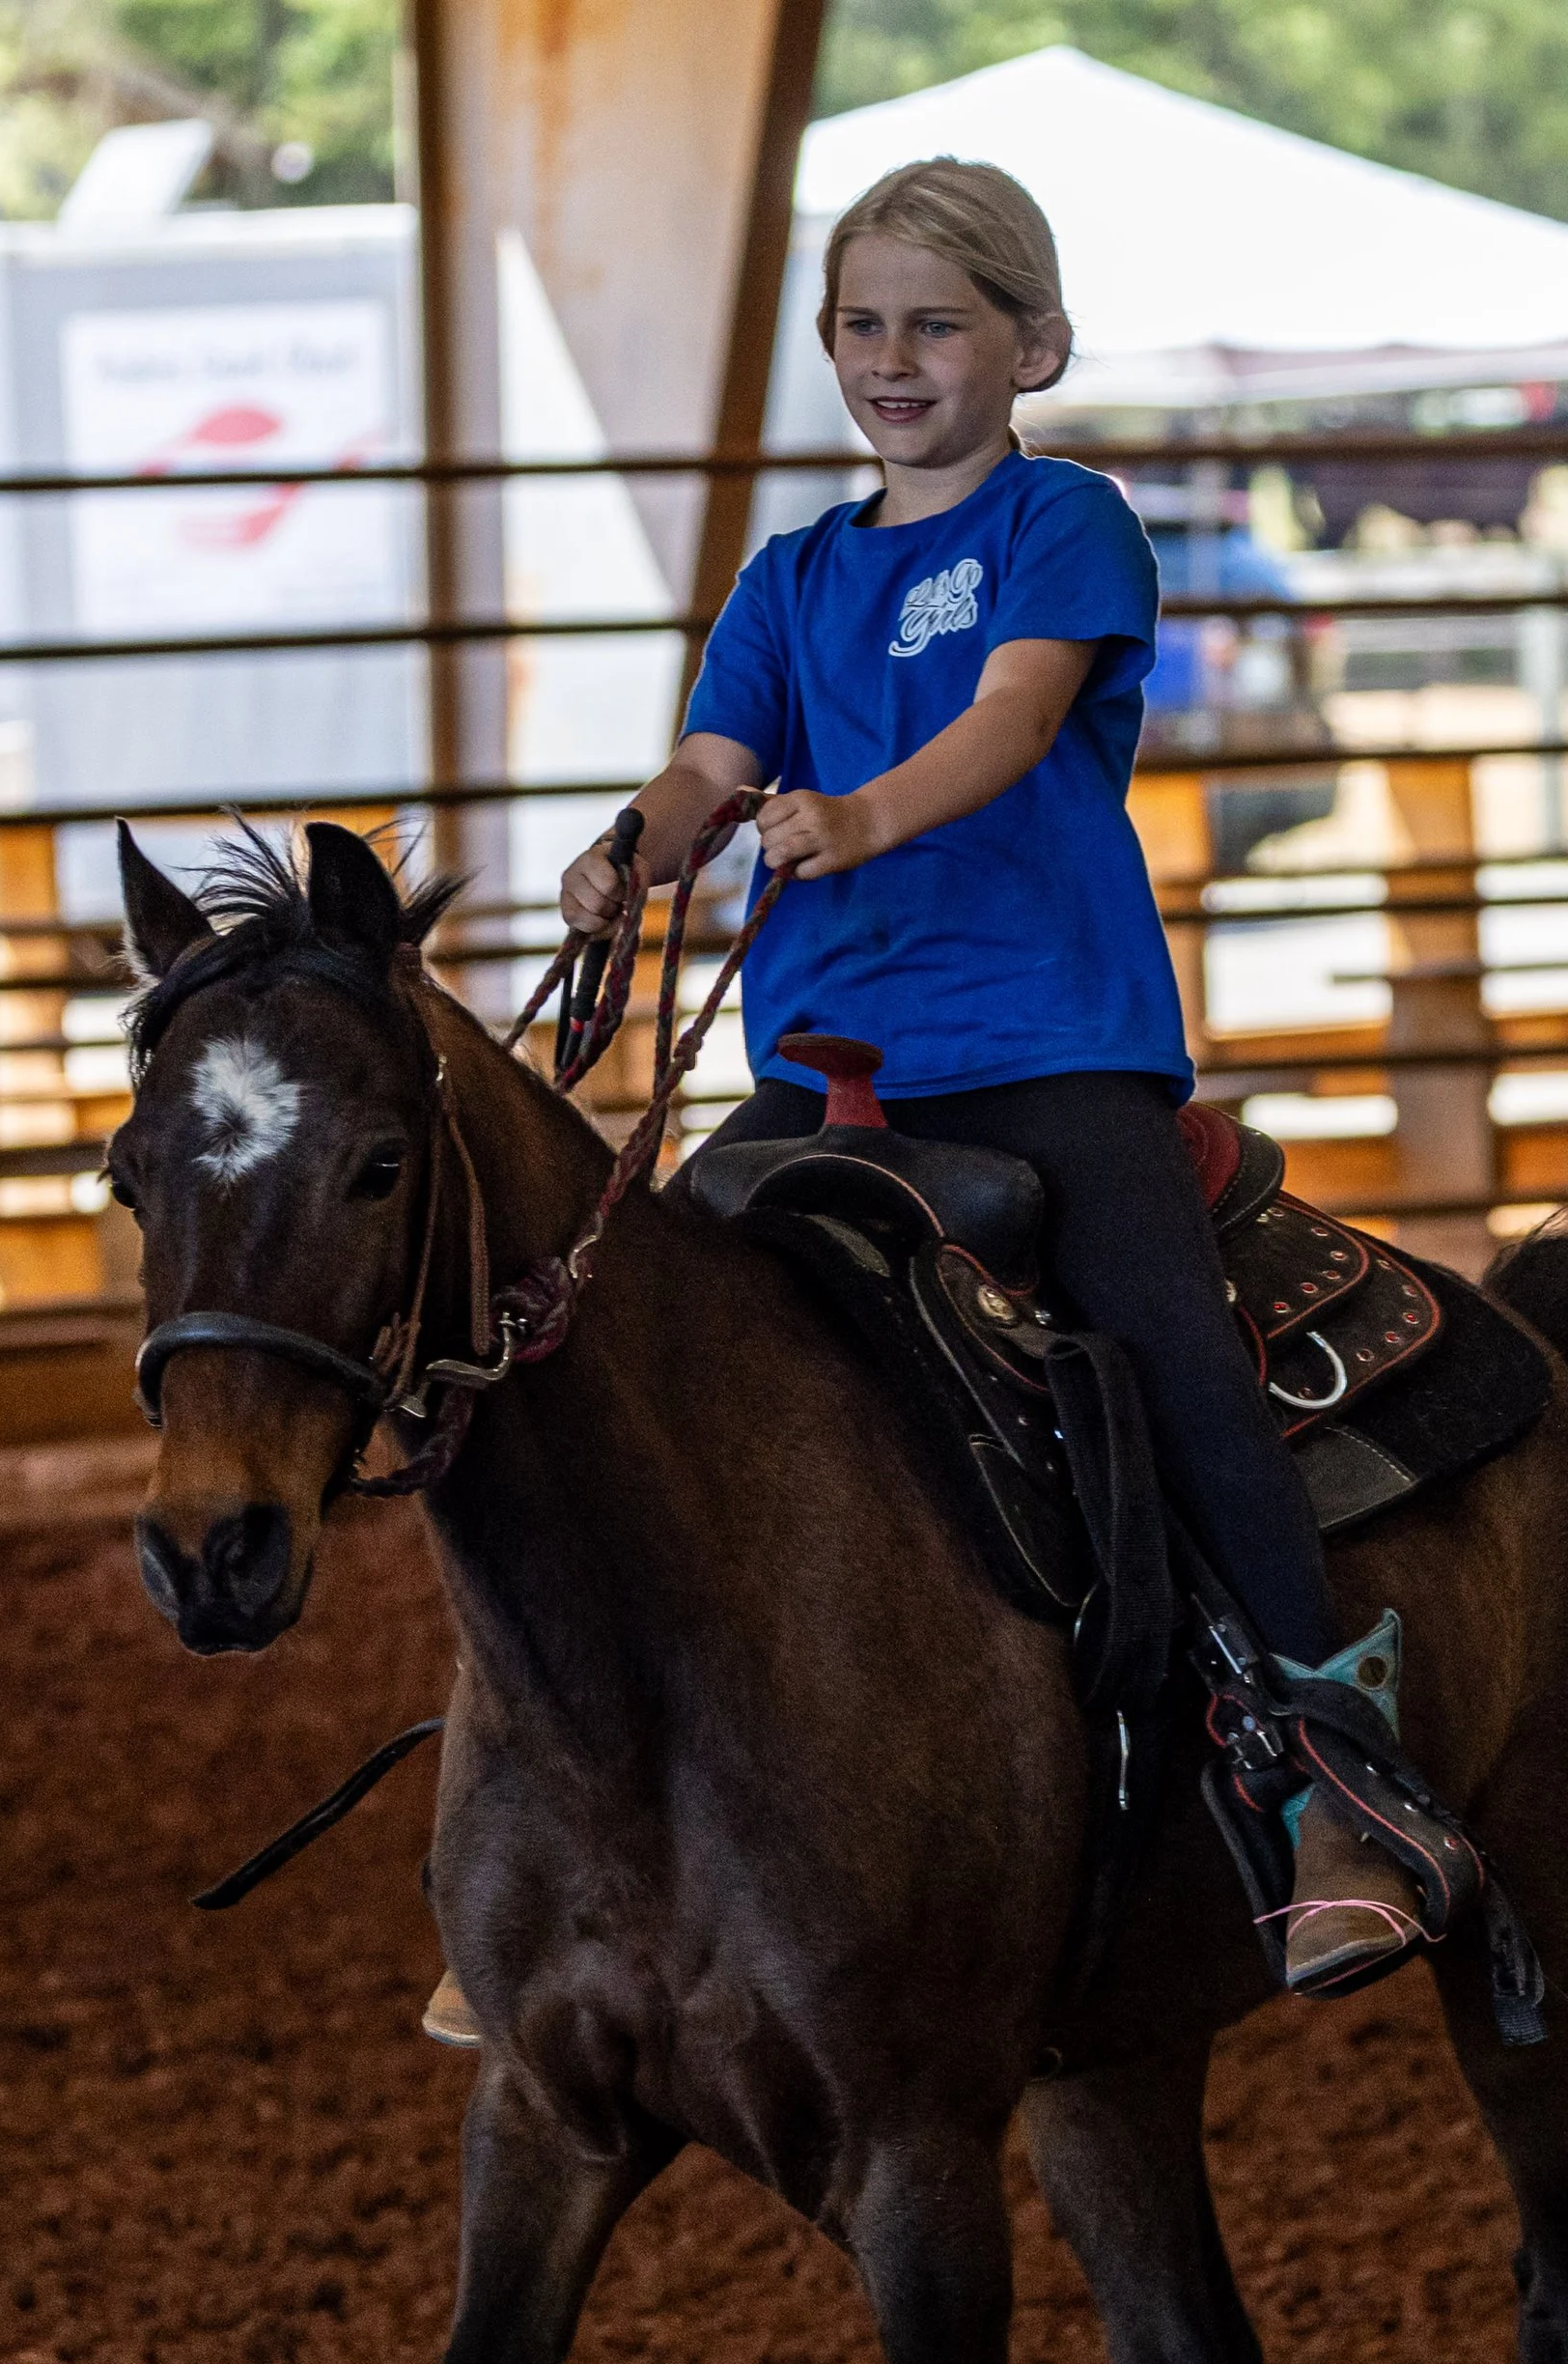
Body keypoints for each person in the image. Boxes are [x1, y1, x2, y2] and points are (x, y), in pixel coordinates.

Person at [425, 155, 1415, 2045]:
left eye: (936, 325)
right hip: (818, 1066)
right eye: (862, 326)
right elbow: (713, 756)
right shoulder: (790, 575)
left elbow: (1015, 716)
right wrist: (632, 848)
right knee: (603, 1347)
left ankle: (1329, 1748)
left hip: (1046, 1045)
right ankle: (553, 1793)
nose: (894, 361)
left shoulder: (1069, 523)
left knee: (1175, 1354)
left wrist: (860, 815)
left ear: (1030, 344)